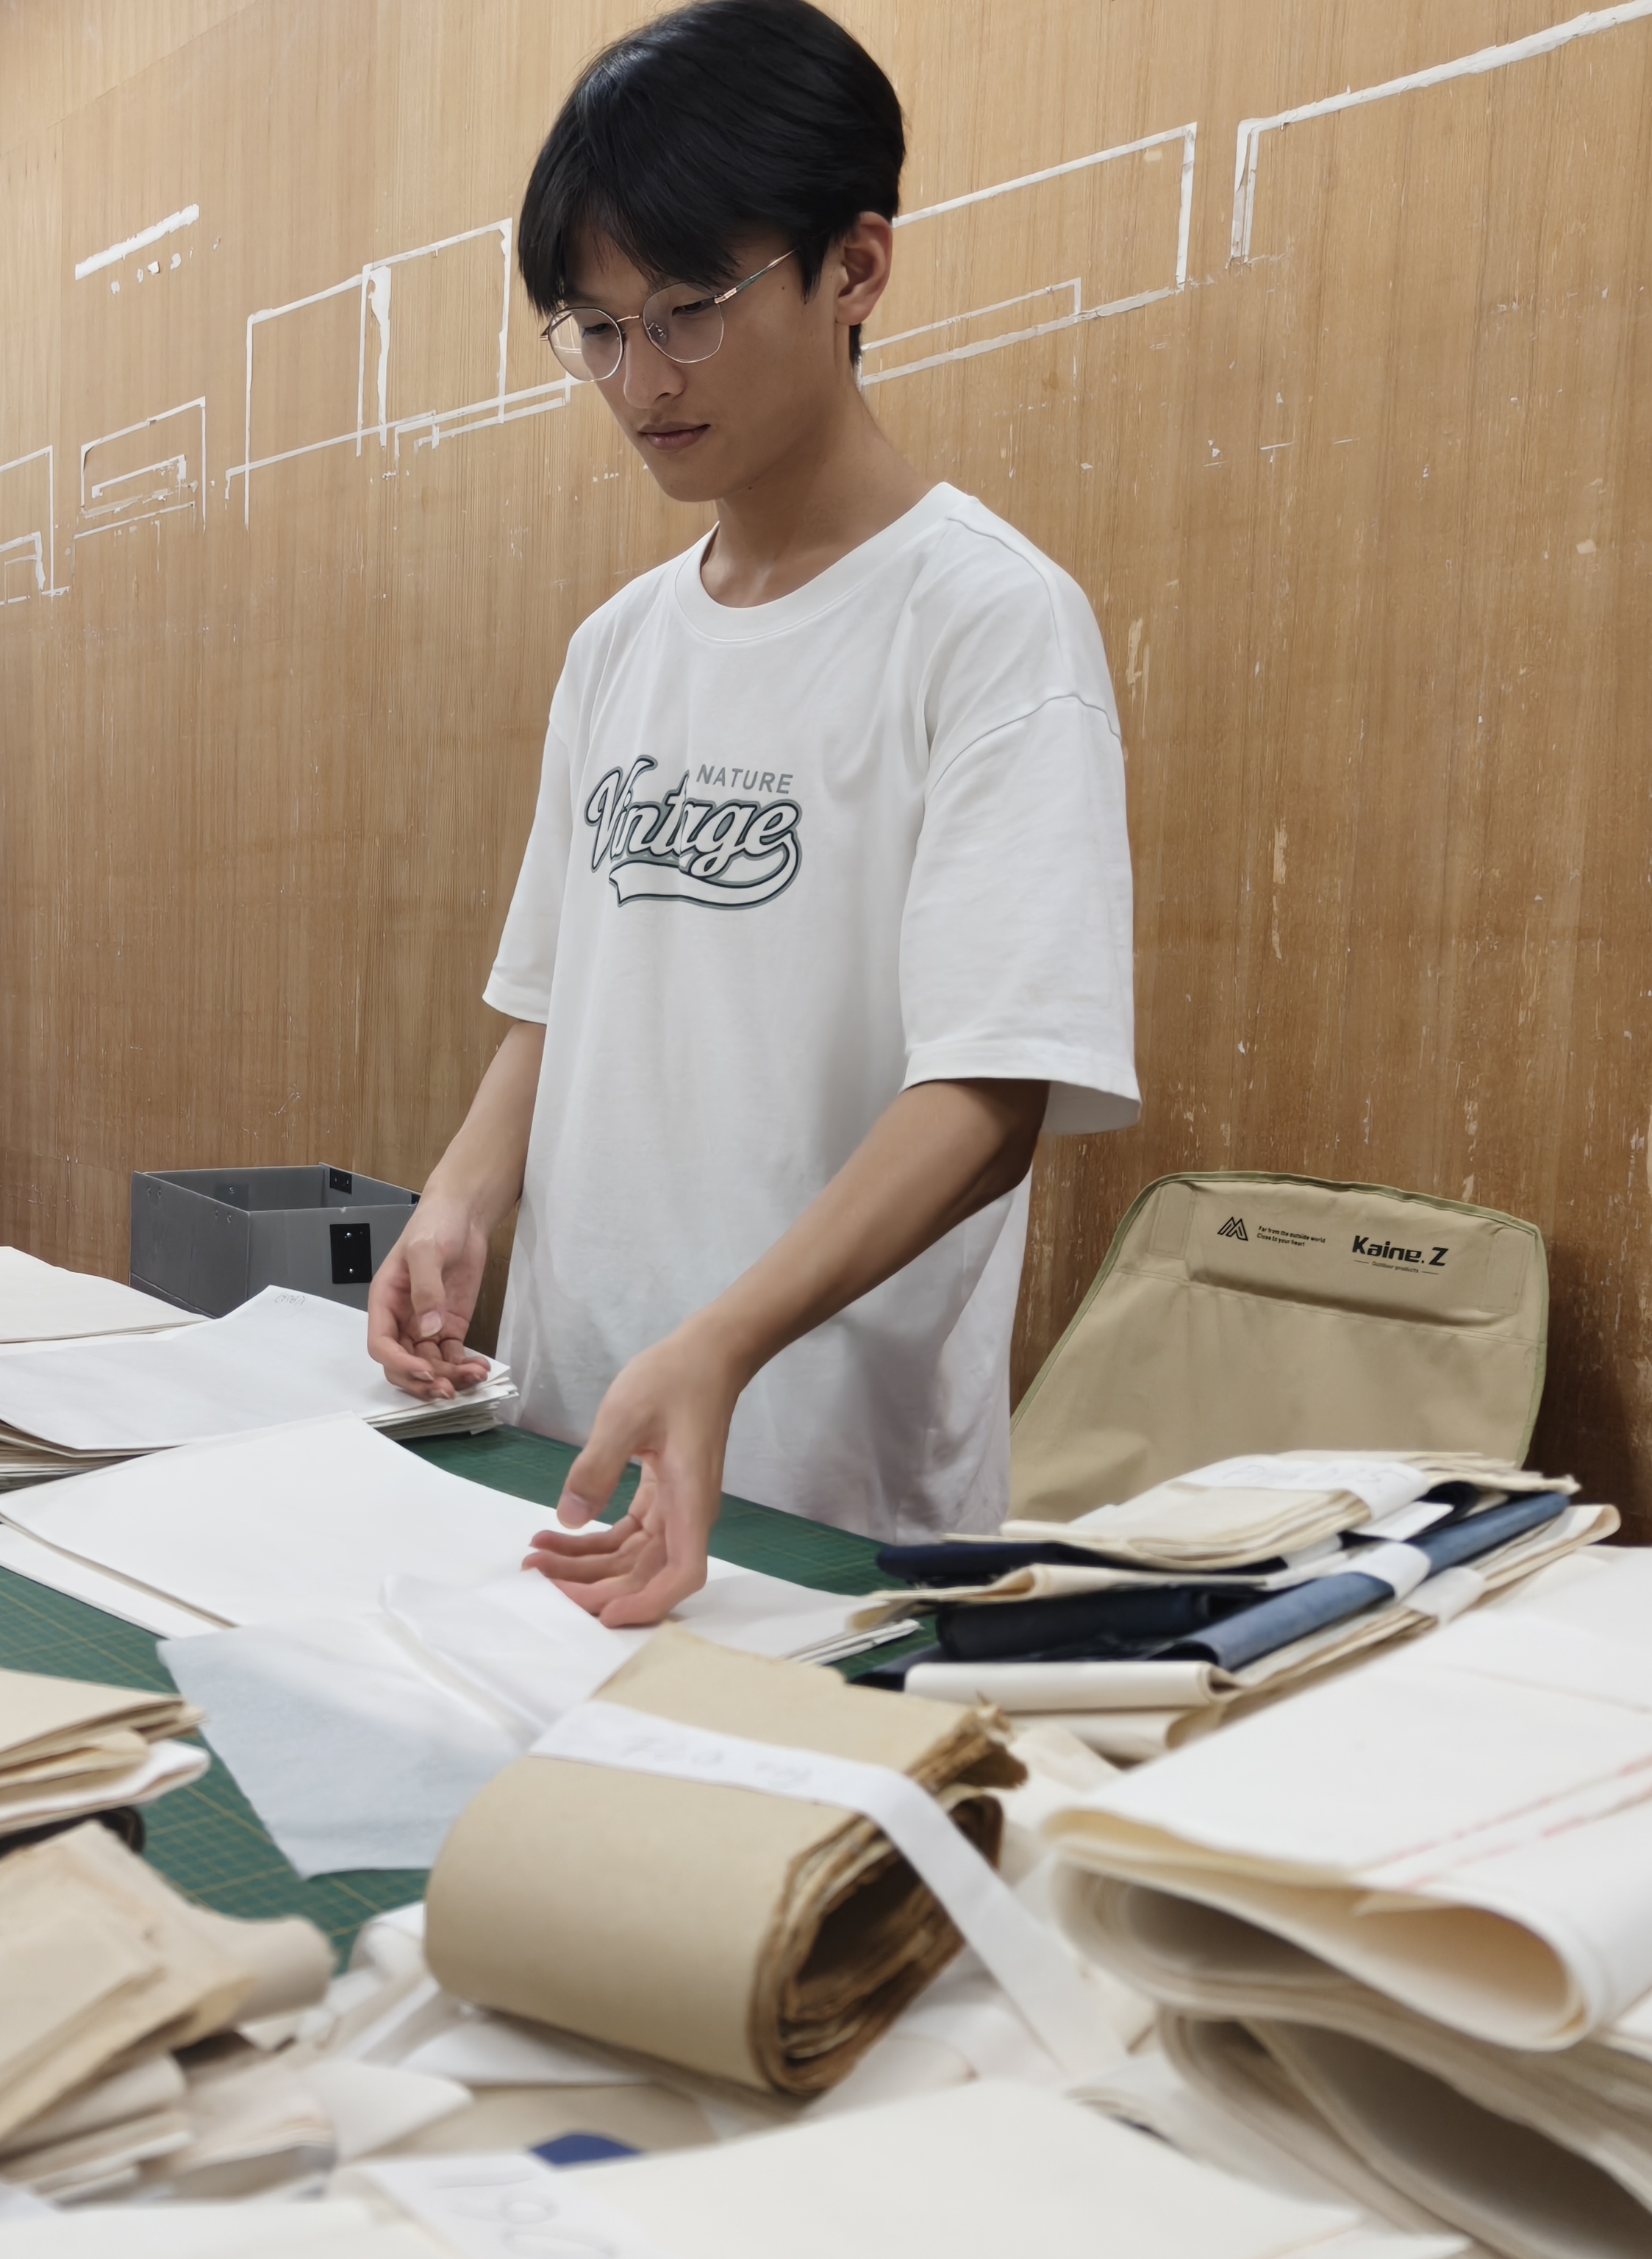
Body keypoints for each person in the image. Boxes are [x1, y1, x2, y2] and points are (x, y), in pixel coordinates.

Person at [365, 0, 1136, 1624]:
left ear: (853, 267)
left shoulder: (987, 621)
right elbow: (556, 1001)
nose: (639, 380)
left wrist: (722, 1342)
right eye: (595, 328)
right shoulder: (618, 645)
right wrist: (458, 1200)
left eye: (687, 313)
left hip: (821, 1485)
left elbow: (989, 1092)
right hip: (574, 1429)